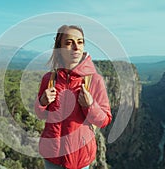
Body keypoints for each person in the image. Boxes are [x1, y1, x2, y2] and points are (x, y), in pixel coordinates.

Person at [35, 25, 112, 169]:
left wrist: (90, 105)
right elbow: (41, 114)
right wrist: (42, 102)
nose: (76, 47)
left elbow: (105, 120)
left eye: (80, 42)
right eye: (69, 43)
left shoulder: (95, 80)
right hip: (51, 155)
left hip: (79, 157)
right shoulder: (49, 79)